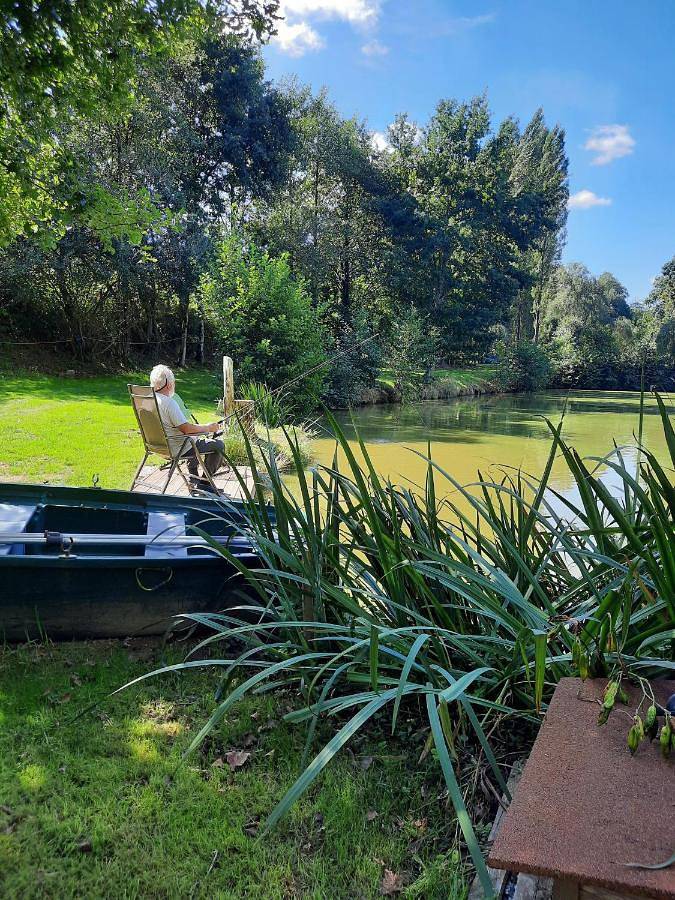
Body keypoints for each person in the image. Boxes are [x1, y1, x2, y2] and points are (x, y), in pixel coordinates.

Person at [149, 364, 224, 488]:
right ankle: (204, 483)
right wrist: (208, 428)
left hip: (156, 446)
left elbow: (183, 428)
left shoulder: (150, 399)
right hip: (176, 448)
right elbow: (187, 429)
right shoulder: (169, 403)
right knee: (218, 445)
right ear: (169, 384)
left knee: (194, 438)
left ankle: (193, 477)